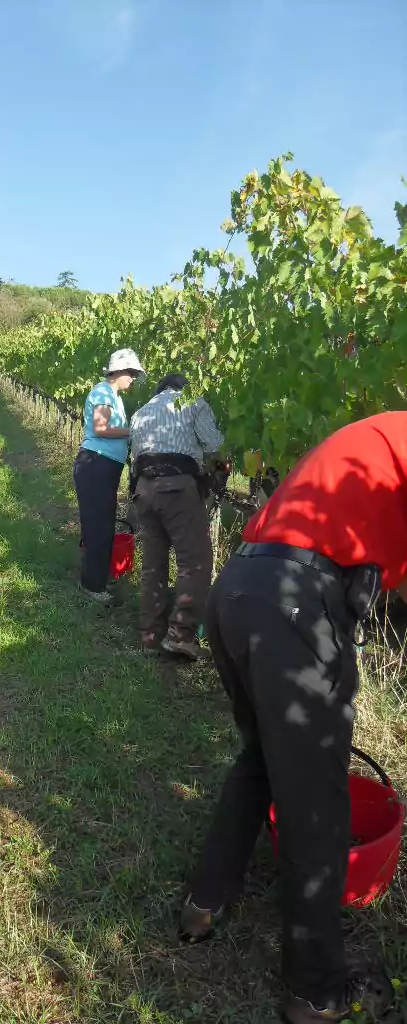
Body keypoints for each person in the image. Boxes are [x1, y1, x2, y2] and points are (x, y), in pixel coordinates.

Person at [180, 412, 407, 1023]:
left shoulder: (375, 439)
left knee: (260, 758)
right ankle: (315, 991)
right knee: (315, 800)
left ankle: (205, 902)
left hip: (240, 588)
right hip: (295, 603)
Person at [129, 373, 224, 659]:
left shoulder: (141, 412)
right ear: (183, 387)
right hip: (176, 488)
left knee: (153, 565)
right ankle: (180, 635)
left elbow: (133, 457)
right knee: (194, 562)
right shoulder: (193, 401)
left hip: (144, 489)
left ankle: (149, 636)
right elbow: (214, 444)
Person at [73, 348, 145, 603]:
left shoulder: (113, 395)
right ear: (119, 371)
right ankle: (92, 586)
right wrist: (133, 431)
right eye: (132, 373)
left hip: (103, 466)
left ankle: (97, 579)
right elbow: (102, 429)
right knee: (98, 525)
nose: (133, 379)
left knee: (103, 523)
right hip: (95, 464)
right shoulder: (103, 391)